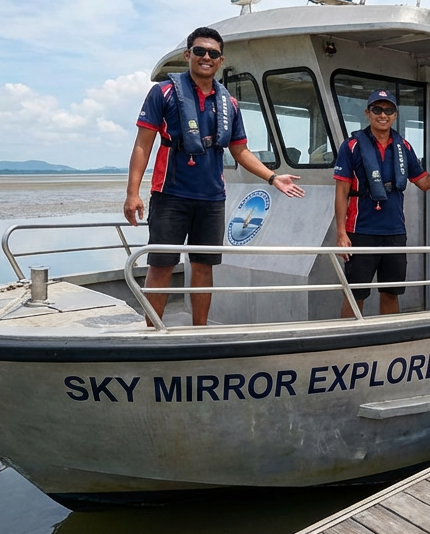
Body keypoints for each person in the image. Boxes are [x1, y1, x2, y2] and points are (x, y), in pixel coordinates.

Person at [125, 27, 306, 326]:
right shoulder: (164, 93)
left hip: (211, 198)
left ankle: (199, 330)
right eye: (199, 51)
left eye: (213, 53)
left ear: (221, 61)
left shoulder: (229, 104)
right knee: (161, 265)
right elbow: (143, 145)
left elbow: (241, 152)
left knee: (204, 266)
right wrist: (133, 193)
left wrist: (273, 178)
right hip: (170, 194)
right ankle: (153, 332)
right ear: (188, 55)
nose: (206, 57)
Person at [333, 89, 430, 317]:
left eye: (388, 110)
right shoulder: (351, 146)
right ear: (368, 113)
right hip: (360, 231)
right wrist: (341, 234)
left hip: (395, 232)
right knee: (355, 293)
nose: (383, 115)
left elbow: (425, 182)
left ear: (395, 115)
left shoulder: (403, 147)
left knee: (391, 292)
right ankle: (348, 343)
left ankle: (388, 338)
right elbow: (341, 191)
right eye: (377, 109)